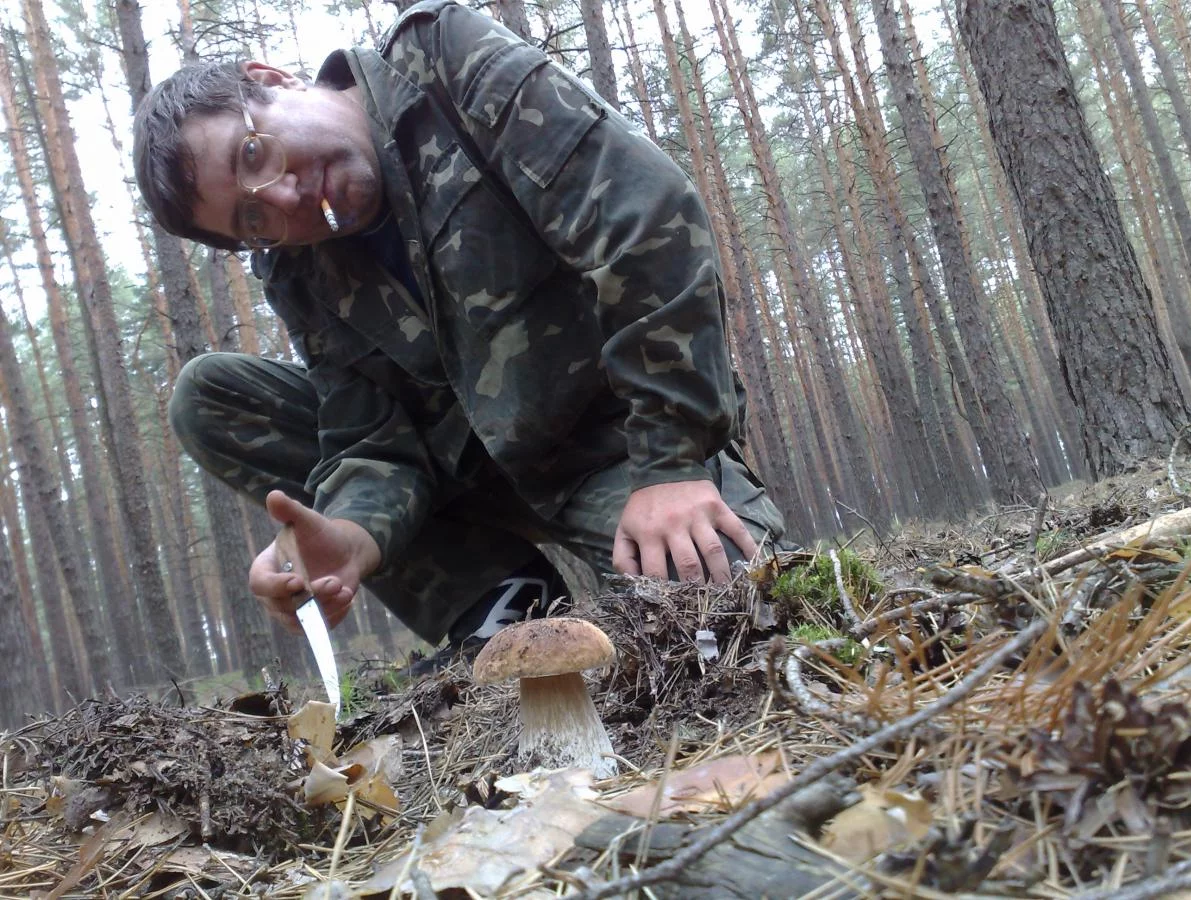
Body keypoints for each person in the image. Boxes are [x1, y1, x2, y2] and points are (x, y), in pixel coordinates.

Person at [132, 0, 787, 652]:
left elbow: (643, 222)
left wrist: (670, 463)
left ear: (273, 80)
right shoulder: (296, 268)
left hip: (613, 449)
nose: (284, 196)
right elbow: (373, 437)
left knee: (725, 616)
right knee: (209, 397)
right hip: (464, 476)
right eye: (252, 220)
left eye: (251, 155)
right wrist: (350, 536)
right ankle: (494, 598)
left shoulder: (440, 61)